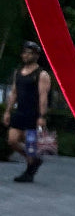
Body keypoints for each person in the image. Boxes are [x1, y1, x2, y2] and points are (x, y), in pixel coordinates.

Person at [5, 41, 51, 184]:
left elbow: (43, 96)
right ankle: (34, 161)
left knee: (31, 145)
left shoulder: (41, 74)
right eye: (24, 52)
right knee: (12, 140)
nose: (25, 55)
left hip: (33, 114)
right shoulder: (18, 72)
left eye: (28, 53)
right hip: (20, 112)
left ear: (36, 55)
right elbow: (14, 92)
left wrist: (42, 116)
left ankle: (29, 171)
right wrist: (7, 111)